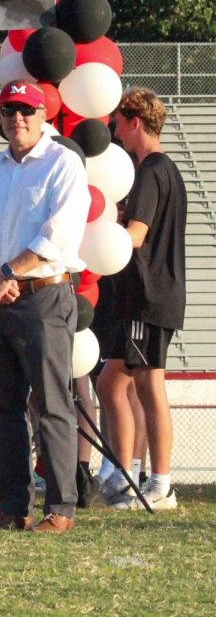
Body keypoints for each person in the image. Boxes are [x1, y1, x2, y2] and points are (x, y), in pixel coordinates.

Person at [0, 81, 90, 534]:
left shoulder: (64, 163)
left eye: (25, 110)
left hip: (43, 297)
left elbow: (59, 233)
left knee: (52, 403)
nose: (16, 118)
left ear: (43, 115)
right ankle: (14, 507)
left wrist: (6, 275)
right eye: (8, 110)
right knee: (3, 408)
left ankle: (61, 508)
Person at [97, 87, 186, 511]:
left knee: (149, 386)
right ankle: (128, 474)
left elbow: (136, 235)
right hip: (147, 296)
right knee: (112, 382)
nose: (114, 133)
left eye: (117, 124)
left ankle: (160, 482)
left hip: (148, 296)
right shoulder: (164, 169)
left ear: (134, 122)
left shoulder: (151, 170)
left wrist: (103, 233)